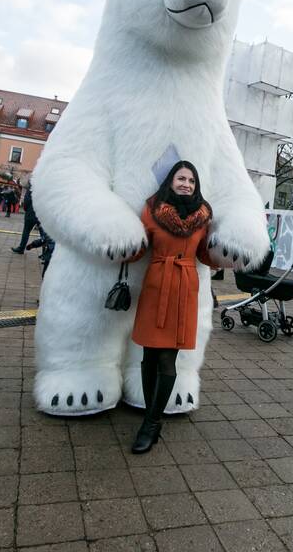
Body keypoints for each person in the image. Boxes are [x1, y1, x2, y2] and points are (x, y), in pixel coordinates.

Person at [126, 161, 221, 454]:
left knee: (167, 359)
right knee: (148, 357)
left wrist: (227, 251)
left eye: (191, 181)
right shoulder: (152, 209)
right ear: (171, 180)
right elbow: (140, 245)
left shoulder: (202, 216)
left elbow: (205, 254)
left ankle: (152, 423)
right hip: (156, 286)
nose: (186, 184)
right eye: (182, 178)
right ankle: (150, 415)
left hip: (183, 288)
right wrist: (120, 244)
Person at [12, 183, 39, 254]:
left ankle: (21, 248)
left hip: (31, 212)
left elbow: (27, 201)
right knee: (44, 235)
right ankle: (47, 253)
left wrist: (26, 209)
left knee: (26, 231)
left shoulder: (31, 188)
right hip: (42, 213)